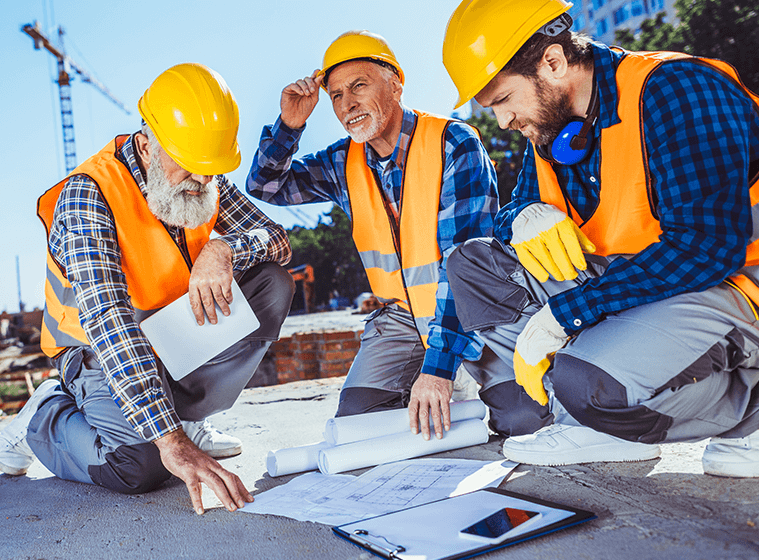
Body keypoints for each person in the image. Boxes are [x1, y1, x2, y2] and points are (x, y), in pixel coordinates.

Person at [442, 0, 759, 477]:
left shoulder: (676, 90)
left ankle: (747, 411)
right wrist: (525, 214)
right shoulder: (552, 128)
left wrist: (565, 313)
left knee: (591, 385)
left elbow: (707, 244)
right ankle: (582, 420)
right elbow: (513, 209)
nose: (502, 121)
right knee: (473, 264)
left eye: (504, 100)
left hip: (732, 284)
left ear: (553, 61)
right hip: (649, 286)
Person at [0, 63, 295, 513]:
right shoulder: (88, 195)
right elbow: (110, 323)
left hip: (164, 337)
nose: (203, 182)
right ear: (149, 143)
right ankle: (46, 415)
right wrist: (168, 441)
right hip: (94, 349)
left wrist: (226, 248)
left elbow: (278, 242)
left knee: (270, 284)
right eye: (192, 168)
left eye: (211, 171)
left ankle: (187, 417)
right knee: (140, 468)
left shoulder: (202, 175)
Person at [246, 31, 547, 439]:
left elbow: (463, 265)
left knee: (524, 421)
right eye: (335, 95)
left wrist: (438, 371)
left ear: (396, 85)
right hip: (402, 318)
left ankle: (455, 377)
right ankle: (439, 382)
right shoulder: (341, 161)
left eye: (358, 86)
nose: (347, 104)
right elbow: (264, 186)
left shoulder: (454, 144)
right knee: (359, 426)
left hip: (473, 309)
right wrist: (289, 125)